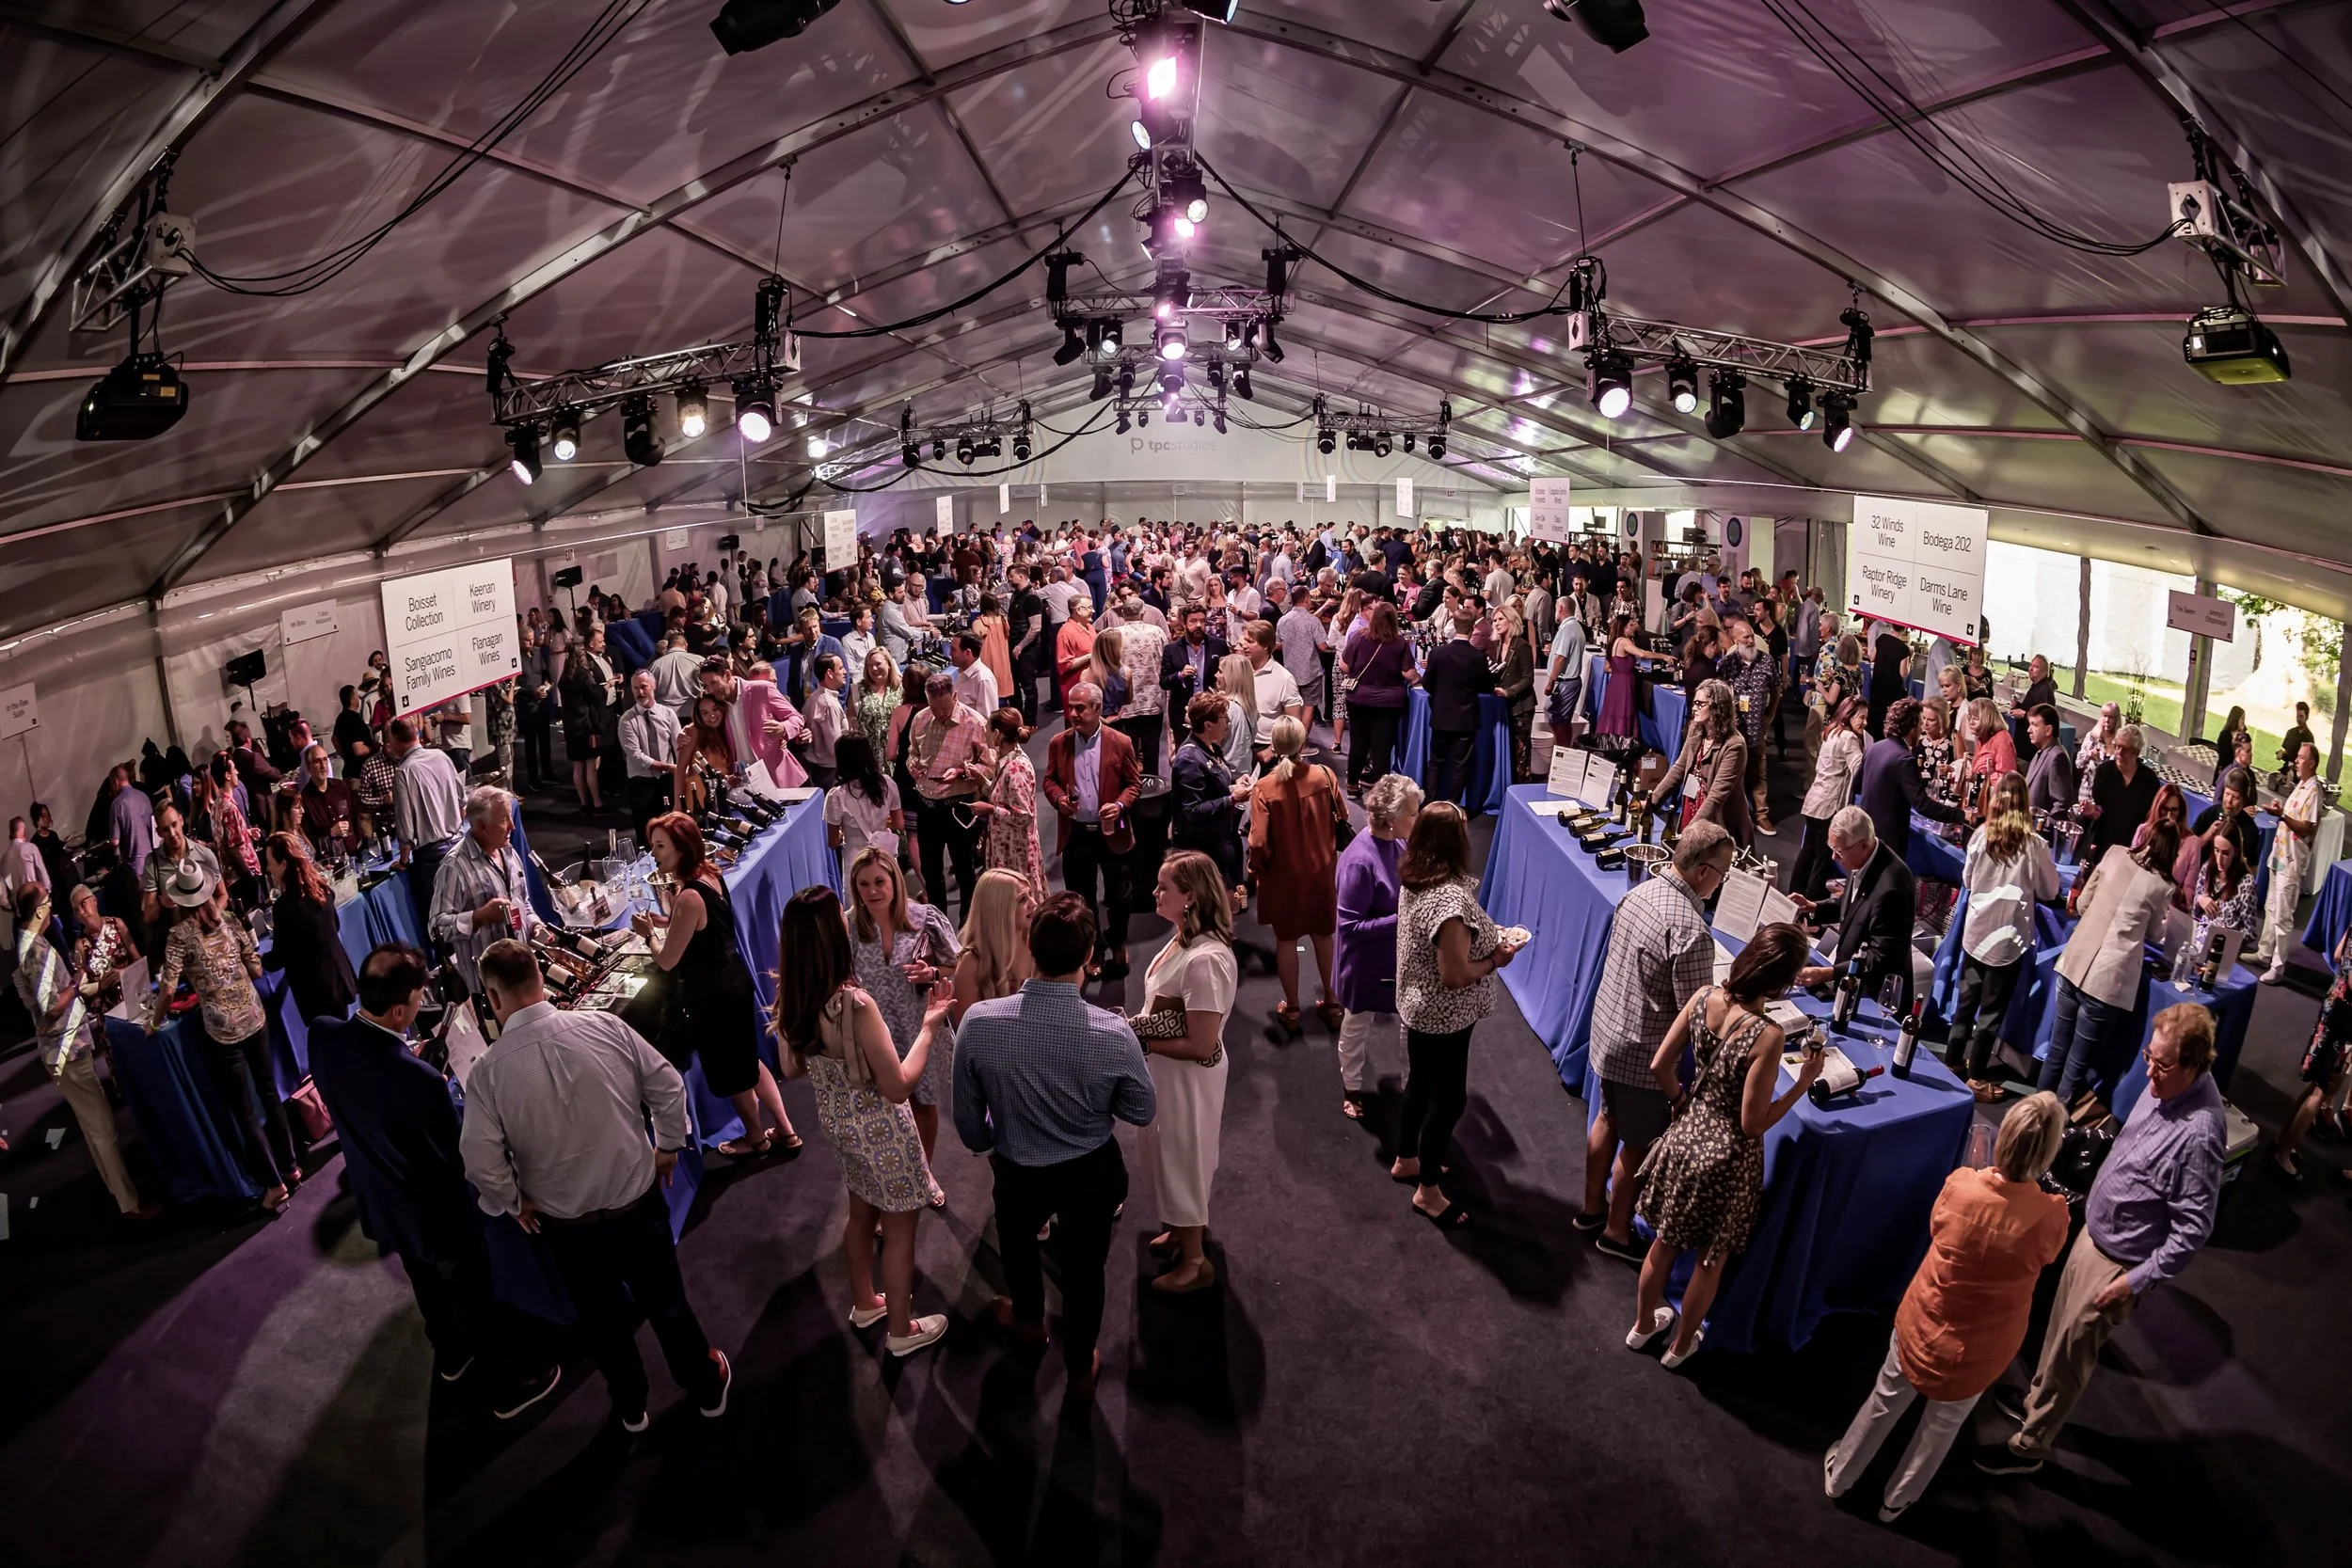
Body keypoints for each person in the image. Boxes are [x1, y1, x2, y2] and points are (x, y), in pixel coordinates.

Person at [459, 939, 729, 1431]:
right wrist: (668, 1146)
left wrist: (513, 1201)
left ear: (492, 998)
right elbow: (667, 1085)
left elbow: (478, 1162)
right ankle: (704, 1386)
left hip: (568, 1226)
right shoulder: (604, 1026)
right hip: (636, 1203)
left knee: (603, 1324)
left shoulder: (486, 1074)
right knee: (667, 1303)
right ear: (541, 981)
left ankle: (630, 1407)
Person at [305, 943, 560, 1414]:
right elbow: (456, 1156)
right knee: (473, 1295)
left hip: (378, 1199)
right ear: (401, 1008)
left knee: (424, 1283)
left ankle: (452, 1354)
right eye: (420, 997)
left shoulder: (322, 1035)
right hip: (435, 1212)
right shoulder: (419, 1081)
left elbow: (365, 1087)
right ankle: (507, 1388)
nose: (423, 1004)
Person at [1979, 1006, 2226, 1477]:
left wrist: (2133, 1282)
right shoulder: (2162, 1084)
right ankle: (2034, 1402)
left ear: (2194, 1065)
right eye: (2148, 1057)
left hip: (2119, 1263)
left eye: (2163, 1065)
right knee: (2055, 1329)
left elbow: (2194, 1229)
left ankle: (2030, 1447)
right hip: (2094, 1230)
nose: (2149, 1072)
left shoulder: (2200, 1136)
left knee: (2073, 1354)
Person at [1826, 1092, 2070, 1521]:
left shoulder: (1960, 1186)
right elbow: (2046, 1255)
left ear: (2004, 1136)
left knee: (1885, 1398)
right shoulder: (2052, 1214)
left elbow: (1937, 1226)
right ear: (2048, 1153)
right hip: (1984, 1346)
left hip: (1924, 1322)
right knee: (1942, 1426)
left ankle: (1842, 1474)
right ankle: (1896, 1501)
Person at [953, 893, 1156, 1402]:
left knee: (1019, 1251)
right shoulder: (1112, 1032)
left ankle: (1028, 1324)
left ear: (1031, 944)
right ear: (1090, 956)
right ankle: (1080, 1364)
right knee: (1086, 1270)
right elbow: (1142, 1110)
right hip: (1091, 1171)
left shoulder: (980, 1021)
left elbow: (968, 1120)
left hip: (1017, 1169)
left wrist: (991, 1146)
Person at [1628, 924, 1820, 1370]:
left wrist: (1680, 1101)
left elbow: (1661, 1065)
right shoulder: (1767, 1036)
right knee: (1709, 1262)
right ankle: (1679, 1349)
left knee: (1664, 1243)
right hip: (1728, 1162)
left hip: (1685, 1140)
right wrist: (1801, 1086)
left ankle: (1642, 1327)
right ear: (1780, 983)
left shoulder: (1701, 998)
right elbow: (1753, 1125)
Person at [771, 888, 950, 1354]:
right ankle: (901, 1331)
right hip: (883, 1131)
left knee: (859, 1216)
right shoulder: (856, 1005)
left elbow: (790, 1069)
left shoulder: (795, 999)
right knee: (900, 1232)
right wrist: (930, 1026)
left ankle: (866, 1301)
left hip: (840, 1127)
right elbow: (898, 1087)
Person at [1582, 820, 1733, 1264]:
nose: (1721, 883)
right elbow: (1696, 1016)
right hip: (1643, 1052)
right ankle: (1615, 1232)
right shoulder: (1691, 931)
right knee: (1638, 1144)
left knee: (1607, 1120)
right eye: (1722, 874)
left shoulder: (1639, 893)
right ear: (1704, 872)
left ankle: (1591, 1209)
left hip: (1608, 1034)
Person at [634, 813, 800, 1161]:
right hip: (734, 983)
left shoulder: (689, 897)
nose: (654, 853)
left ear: (681, 848)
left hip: (712, 997)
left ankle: (756, 1139)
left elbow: (666, 960)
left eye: (660, 846)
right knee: (749, 1063)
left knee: (732, 1073)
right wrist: (668, 921)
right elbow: (702, 924)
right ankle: (786, 1129)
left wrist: (649, 935)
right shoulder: (710, 875)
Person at [1391, 801, 1523, 1230]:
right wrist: (1496, 960)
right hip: (1443, 1017)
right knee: (1448, 1103)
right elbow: (1455, 974)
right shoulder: (1449, 899)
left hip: (1417, 1005)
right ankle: (1427, 1192)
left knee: (1418, 1086)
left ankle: (1406, 1159)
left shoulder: (1416, 874)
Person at [147, 863, 294, 1212]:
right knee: (269, 1092)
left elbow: (167, 990)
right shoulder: (228, 919)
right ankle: (290, 1165)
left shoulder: (179, 936)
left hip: (223, 1031)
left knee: (244, 1111)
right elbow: (256, 967)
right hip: (254, 1016)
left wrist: (154, 1023)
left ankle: (275, 1185)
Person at [1127, 851, 1239, 1294]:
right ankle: (1180, 1229)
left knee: (1184, 1158)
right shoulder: (1183, 939)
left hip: (1188, 1080)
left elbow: (1202, 1043)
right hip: (1168, 1076)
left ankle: (1195, 1262)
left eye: (1164, 888)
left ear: (1190, 897)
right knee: (1167, 1155)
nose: (1155, 894)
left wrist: (1138, 1040)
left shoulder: (1205, 960)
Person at [11, 885, 151, 1218]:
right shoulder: (38, 951)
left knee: (94, 1130)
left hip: (64, 1048)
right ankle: (130, 1205)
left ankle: (119, 1195)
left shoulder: (31, 946)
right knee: (103, 1130)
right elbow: (52, 1007)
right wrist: (78, 981)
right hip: (68, 1050)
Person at [2043, 820, 2180, 1106]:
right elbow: (2155, 934)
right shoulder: (2162, 886)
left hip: (2074, 964)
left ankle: (2029, 1118)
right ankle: (2050, 1138)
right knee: (2076, 1067)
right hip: (2106, 983)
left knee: (2056, 1052)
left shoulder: (2115, 853)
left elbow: (2081, 906)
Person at [846, 847, 961, 1176]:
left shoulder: (924, 918)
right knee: (886, 1110)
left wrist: (933, 973)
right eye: (864, 884)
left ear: (895, 881)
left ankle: (923, 1174)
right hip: (874, 1033)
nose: (873, 891)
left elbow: (957, 964)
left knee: (923, 1104)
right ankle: (894, 1176)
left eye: (880, 881)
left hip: (916, 1029)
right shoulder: (850, 925)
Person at [1947, 775, 2060, 1101]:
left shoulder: (1981, 836)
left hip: (1976, 935)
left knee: (1966, 1003)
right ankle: (1977, 1076)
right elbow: (2050, 890)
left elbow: (1967, 879)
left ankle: (1953, 1061)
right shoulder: (2035, 845)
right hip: (2007, 944)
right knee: (1991, 1012)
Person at [1332, 774, 1422, 1122]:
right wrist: (1403, 918)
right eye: (1412, 814)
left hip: (1395, 957)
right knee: (1357, 1024)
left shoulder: (1398, 844)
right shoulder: (1359, 863)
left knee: (1409, 1022)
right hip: (1366, 963)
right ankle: (1351, 1087)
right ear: (1390, 817)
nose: (1417, 819)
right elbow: (1349, 927)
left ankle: (1409, 1083)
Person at [1249, 716, 1344, 1036]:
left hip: (1284, 877)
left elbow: (1259, 841)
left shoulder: (1264, 788)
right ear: (1304, 744)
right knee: (1324, 936)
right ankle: (1332, 1003)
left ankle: (1291, 1009)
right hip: (1320, 873)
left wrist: (1257, 867)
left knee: (1286, 941)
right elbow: (1342, 817)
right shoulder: (1325, 775)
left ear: (1273, 746)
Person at [1042, 681, 1141, 978]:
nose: (1072, 713)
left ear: (1098, 709)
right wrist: (1059, 799)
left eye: (1080, 708)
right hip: (1076, 835)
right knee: (1081, 900)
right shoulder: (1059, 743)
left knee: (1120, 897)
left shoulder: (1120, 742)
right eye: (1070, 707)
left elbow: (1134, 784)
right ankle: (1094, 949)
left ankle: (1117, 941)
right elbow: (1049, 781)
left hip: (1112, 833)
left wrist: (1120, 806)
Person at [1792, 805, 1920, 1014]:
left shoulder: (1892, 887)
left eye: (1839, 852)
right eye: (1831, 848)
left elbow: (1880, 957)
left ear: (1863, 845)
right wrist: (1814, 907)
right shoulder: (1861, 859)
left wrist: (1828, 973)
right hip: (1851, 980)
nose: (1834, 858)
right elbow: (1854, 908)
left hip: (1875, 996)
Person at [429, 784, 533, 998]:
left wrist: (536, 926)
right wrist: (479, 917)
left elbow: (523, 901)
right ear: (481, 827)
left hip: (521, 975)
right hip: (487, 989)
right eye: (504, 820)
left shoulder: (508, 851)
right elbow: (436, 928)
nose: (513, 826)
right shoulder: (454, 867)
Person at [904, 671, 990, 920]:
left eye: (944, 708)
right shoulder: (921, 719)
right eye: (934, 708)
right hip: (926, 805)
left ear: (954, 696)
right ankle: (938, 925)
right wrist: (913, 764)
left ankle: (967, 925)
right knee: (931, 872)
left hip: (958, 807)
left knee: (964, 871)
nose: (940, 715)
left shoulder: (975, 723)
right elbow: (912, 752)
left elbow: (988, 766)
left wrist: (963, 772)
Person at [260, 832, 358, 1023]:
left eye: (271, 862)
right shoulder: (323, 889)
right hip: (337, 978)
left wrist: (260, 960)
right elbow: (335, 926)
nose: (268, 868)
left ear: (284, 864)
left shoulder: (284, 907)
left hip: (316, 990)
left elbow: (279, 957)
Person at [1854, 697, 1963, 861]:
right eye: (1920, 723)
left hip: (1865, 833)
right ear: (1911, 727)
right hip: (1888, 842)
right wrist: (1960, 816)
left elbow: (1857, 785)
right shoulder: (1905, 760)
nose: (1922, 728)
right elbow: (1923, 805)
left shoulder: (1874, 748)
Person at [1169, 690, 1252, 902]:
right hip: (1199, 846)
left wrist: (1233, 787)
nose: (1228, 723)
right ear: (1208, 725)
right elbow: (1192, 810)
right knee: (1205, 904)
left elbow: (1211, 788)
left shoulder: (1211, 747)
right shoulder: (1189, 759)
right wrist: (1232, 799)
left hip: (1215, 838)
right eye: (1225, 718)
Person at [1653, 677, 1753, 847]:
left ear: (1717, 707)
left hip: (1718, 821)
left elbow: (1716, 798)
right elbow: (1679, 768)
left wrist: (1691, 832)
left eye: (1700, 704)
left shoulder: (1735, 745)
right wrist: (1652, 801)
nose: (1694, 708)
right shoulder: (1696, 729)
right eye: (1694, 702)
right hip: (1693, 808)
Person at [2260, 741, 2324, 982]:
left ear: (2312, 763)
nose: (2295, 761)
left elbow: (2306, 828)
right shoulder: (2301, 786)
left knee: (2283, 915)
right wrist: (2280, 811)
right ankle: (2265, 952)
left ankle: (2278, 967)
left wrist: (2282, 816)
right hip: (2280, 856)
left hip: (2292, 860)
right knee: (2271, 907)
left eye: (2300, 757)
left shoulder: (2314, 792)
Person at [1792, 697, 1867, 899]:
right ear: (1849, 714)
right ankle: (1812, 900)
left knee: (1808, 850)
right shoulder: (1849, 738)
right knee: (1823, 856)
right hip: (1830, 804)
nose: (1865, 723)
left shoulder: (1831, 732)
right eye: (1861, 717)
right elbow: (1860, 770)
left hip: (1815, 798)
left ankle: (1794, 893)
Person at [698, 655, 810, 789]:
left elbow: (796, 718)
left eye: (713, 683)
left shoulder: (762, 689)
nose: (710, 690)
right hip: (745, 783)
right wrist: (686, 734)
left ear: (727, 675)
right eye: (706, 685)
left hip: (778, 777)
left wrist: (783, 728)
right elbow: (704, 721)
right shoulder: (716, 703)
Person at [967, 707, 1046, 894]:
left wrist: (989, 809)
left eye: (987, 729)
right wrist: (982, 781)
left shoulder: (1016, 768)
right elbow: (1002, 797)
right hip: (1005, 847)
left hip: (1016, 853)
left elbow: (1023, 816)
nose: (984, 734)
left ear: (997, 734)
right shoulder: (1004, 759)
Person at [1340, 599, 1415, 792]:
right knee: (1383, 745)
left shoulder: (1359, 637)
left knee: (1358, 743)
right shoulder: (1400, 643)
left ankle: (1352, 785)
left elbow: (1345, 666)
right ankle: (1380, 790)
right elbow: (1408, 673)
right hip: (1389, 703)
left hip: (1359, 699)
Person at [950, 868, 1035, 1024]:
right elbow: (966, 1028)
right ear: (999, 909)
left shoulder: (1035, 942)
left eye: (1031, 895)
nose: (1034, 903)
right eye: (1022, 900)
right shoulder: (972, 962)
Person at [2082, 722, 2158, 869]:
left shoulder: (2149, 780)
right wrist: (2091, 812)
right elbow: (2099, 810)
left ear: (2136, 752)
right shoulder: (2104, 772)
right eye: (2117, 746)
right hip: (2103, 846)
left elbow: (2150, 818)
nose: (2119, 752)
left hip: (2131, 851)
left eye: (2125, 749)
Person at [823, 732, 903, 871]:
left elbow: (833, 842)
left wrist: (844, 833)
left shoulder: (836, 796)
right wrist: (880, 822)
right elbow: (899, 823)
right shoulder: (887, 784)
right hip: (884, 855)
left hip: (855, 860)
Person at [618, 669, 682, 839]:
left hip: (666, 781)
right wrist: (669, 767)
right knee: (645, 832)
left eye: (644, 687)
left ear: (654, 686)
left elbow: (679, 746)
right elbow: (636, 756)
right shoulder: (626, 720)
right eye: (635, 688)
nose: (640, 692)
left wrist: (682, 770)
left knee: (670, 828)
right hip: (641, 784)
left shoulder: (668, 714)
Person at [2022, 705, 2075, 816]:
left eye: (2034, 725)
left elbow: (2061, 805)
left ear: (2048, 730)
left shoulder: (2057, 757)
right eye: (2029, 724)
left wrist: (2041, 826)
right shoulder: (2040, 753)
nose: (2028, 730)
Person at [1867, 623, 1911, 739]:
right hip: (1893, 690)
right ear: (1904, 628)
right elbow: (1903, 673)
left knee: (1875, 715)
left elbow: (1872, 657)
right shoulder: (1904, 649)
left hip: (1878, 684)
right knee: (1887, 718)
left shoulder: (1882, 638)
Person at [2208, 704, 2251, 773]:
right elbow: (2224, 757)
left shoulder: (2243, 736)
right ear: (2236, 719)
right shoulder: (2225, 735)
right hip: (2225, 770)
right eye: (2242, 719)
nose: (2243, 722)